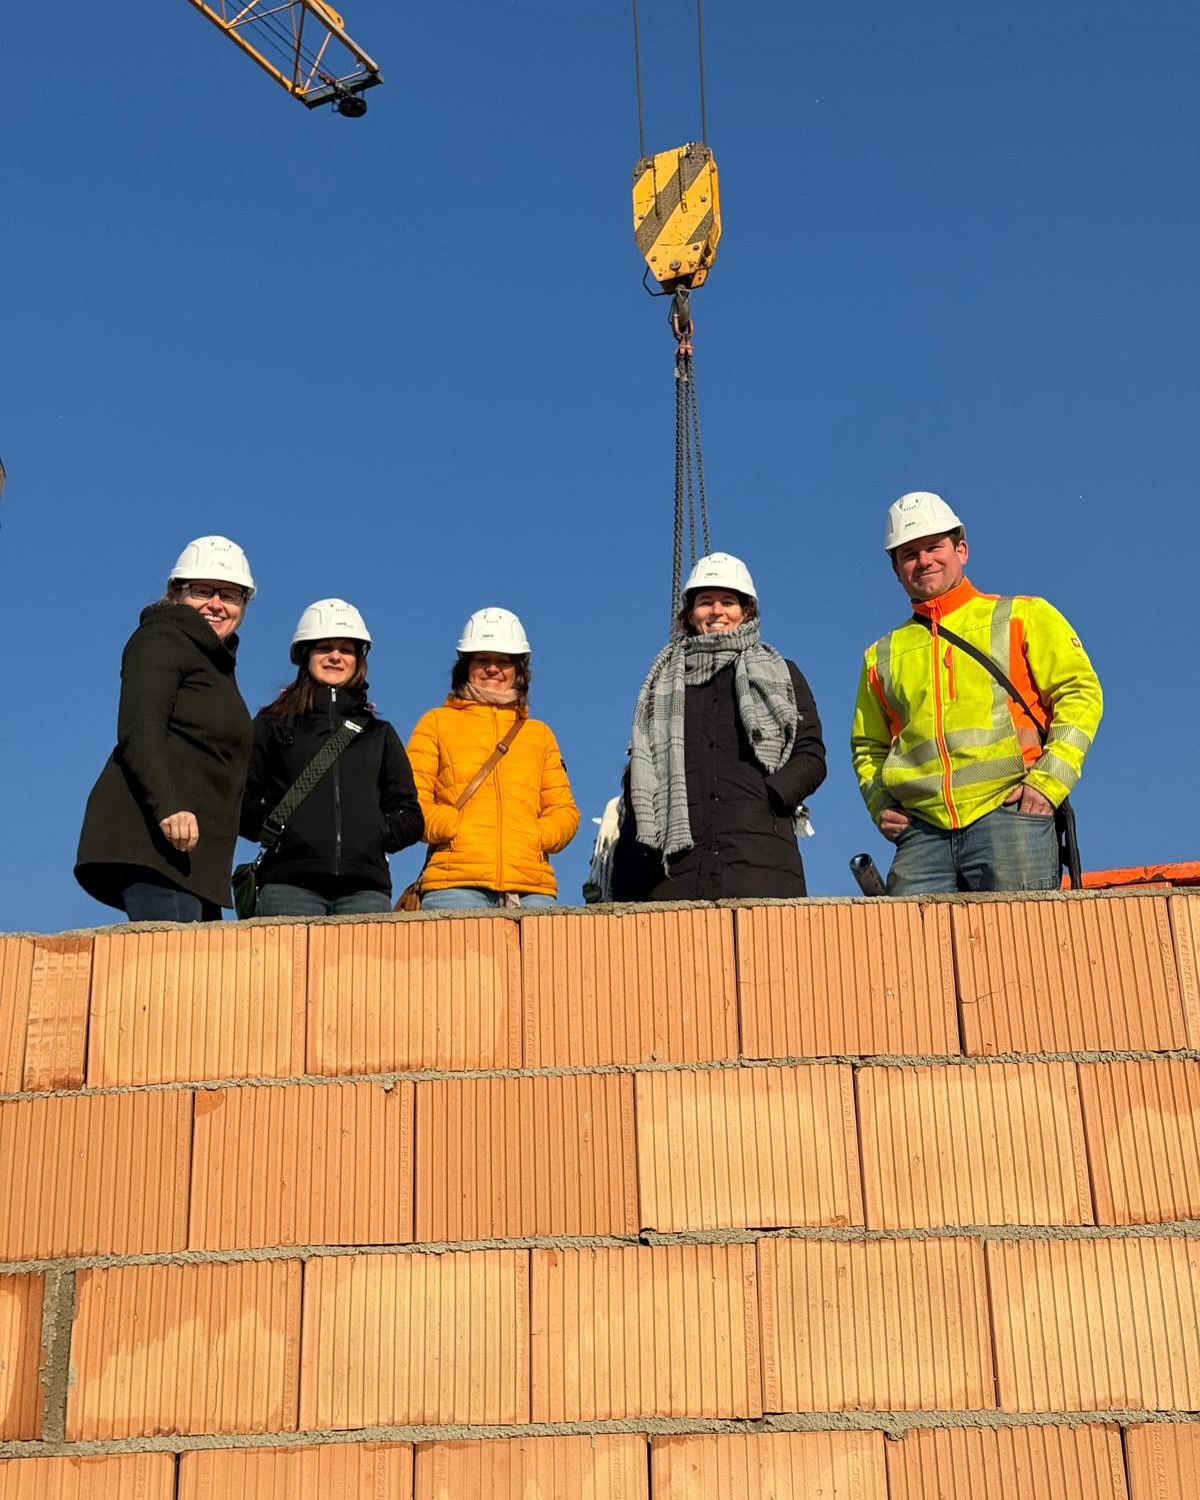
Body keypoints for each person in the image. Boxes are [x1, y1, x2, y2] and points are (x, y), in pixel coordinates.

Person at [851, 491, 1103, 894]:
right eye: (909, 554)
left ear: (961, 549)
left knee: (1018, 950)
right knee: (912, 955)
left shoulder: (1023, 615)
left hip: (1010, 817)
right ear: (896, 569)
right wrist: (881, 804)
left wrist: (1050, 780)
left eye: (934, 547)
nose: (924, 560)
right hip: (922, 834)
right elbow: (867, 747)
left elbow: (1081, 694)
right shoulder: (880, 656)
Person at [610, 552, 827, 901]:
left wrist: (768, 797)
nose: (716, 612)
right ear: (690, 613)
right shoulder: (663, 683)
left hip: (759, 859)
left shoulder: (781, 672)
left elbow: (811, 754)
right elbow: (642, 764)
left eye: (728, 601)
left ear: (746, 612)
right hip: (675, 867)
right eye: (705, 602)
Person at [75, 536, 256, 922]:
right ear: (176, 592)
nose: (216, 604)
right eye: (203, 590)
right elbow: (140, 727)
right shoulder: (161, 638)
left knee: (203, 978)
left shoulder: (217, 664)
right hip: (153, 843)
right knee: (170, 974)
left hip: (195, 859)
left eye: (230, 595)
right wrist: (169, 804)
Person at [240, 599, 423, 917]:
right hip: (288, 887)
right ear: (305, 654)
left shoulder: (379, 733)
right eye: (324, 647)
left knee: (363, 970)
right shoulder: (272, 724)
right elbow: (240, 800)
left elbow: (410, 815)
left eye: (346, 649)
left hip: (365, 890)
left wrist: (373, 833)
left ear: (358, 659)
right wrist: (282, 831)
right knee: (287, 970)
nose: (335, 656)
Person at [406, 608, 579, 909]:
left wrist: (537, 836)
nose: (492, 669)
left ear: (518, 670)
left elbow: (564, 810)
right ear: (466, 666)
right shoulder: (435, 722)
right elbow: (409, 802)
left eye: (503, 661)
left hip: (532, 890)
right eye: (482, 660)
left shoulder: (539, 734)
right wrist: (451, 827)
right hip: (454, 886)